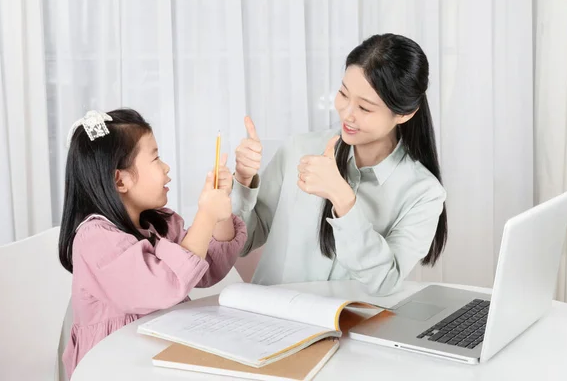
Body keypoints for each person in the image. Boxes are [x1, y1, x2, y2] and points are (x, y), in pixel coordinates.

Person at [231, 33, 447, 296]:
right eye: (344, 94)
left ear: (404, 113)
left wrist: (343, 199)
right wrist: (243, 181)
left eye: (365, 108)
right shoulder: (299, 150)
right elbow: (243, 242)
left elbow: (385, 282)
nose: (347, 113)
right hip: (273, 323)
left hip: (351, 331)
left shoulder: (423, 193)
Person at [58, 109, 246, 377]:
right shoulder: (95, 240)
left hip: (163, 352)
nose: (166, 167)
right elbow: (163, 285)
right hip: (115, 366)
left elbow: (208, 268)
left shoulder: (160, 224)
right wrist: (206, 215)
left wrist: (220, 215)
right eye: (156, 158)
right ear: (119, 179)